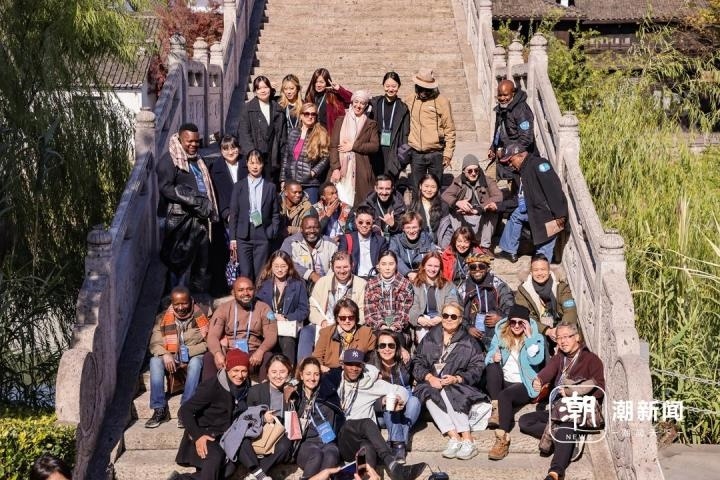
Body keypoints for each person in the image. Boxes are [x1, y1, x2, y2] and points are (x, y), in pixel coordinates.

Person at [519, 321, 605, 480]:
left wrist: (572, 394)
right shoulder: (559, 357)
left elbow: (599, 389)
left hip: (577, 411)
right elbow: (548, 371)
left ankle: (555, 472)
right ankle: (567, 441)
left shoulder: (591, 359)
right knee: (525, 421)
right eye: (559, 338)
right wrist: (539, 380)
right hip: (556, 410)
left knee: (565, 425)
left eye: (567, 337)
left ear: (577, 337)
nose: (562, 341)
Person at [328, 349, 427, 480]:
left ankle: (376, 474)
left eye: (358, 365)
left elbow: (401, 390)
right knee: (366, 422)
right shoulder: (335, 381)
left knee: (367, 448)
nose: (354, 369)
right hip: (345, 439)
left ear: (363, 366)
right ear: (343, 365)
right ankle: (392, 464)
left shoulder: (371, 384)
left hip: (364, 440)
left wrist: (397, 399)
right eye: (350, 364)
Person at [412, 301, 486, 461]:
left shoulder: (469, 342)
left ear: (460, 319)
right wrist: (430, 377)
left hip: (460, 385)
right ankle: (454, 437)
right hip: (432, 381)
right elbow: (417, 362)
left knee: (449, 390)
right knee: (427, 391)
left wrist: (456, 378)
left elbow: (477, 367)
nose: (449, 319)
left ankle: (467, 439)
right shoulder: (430, 338)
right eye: (445, 315)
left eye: (453, 316)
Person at [158, 123, 218, 293]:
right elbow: (165, 188)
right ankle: (176, 298)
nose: (193, 145)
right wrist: (191, 199)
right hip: (180, 220)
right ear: (180, 139)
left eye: (196, 141)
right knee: (178, 262)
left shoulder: (198, 159)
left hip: (199, 218)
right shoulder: (169, 160)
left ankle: (197, 298)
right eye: (189, 141)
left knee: (201, 261)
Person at [174, 349, 252, 480]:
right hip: (206, 433)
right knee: (215, 456)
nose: (240, 375)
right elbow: (185, 410)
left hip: (227, 436)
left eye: (244, 371)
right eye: (235, 370)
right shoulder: (211, 386)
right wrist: (198, 436)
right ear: (227, 368)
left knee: (229, 468)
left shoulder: (246, 386)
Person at [484, 304, 545, 460]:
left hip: (524, 384)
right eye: (513, 322)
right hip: (504, 380)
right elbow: (489, 354)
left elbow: (536, 360)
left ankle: (502, 438)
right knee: (492, 366)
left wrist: (530, 337)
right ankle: (497, 409)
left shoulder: (536, 338)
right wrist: (493, 357)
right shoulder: (501, 335)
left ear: (526, 323)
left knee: (505, 395)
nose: (516, 326)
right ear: (508, 323)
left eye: (521, 322)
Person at [146, 286, 209, 429]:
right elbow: (155, 343)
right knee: (155, 361)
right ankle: (159, 408)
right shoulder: (162, 318)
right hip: (171, 356)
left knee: (195, 363)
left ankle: (186, 409)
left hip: (194, 355)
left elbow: (209, 342)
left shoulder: (202, 315)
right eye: (177, 304)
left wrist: (189, 351)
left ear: (191, 301)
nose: (180, 308)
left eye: (184, 303)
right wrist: (165, 354)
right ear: (172, 303)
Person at [496, 143, 568, 263]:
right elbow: (519, 198)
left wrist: (560, 214)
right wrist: (498, 206)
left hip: (549, 215)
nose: (509, 164)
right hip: (533, 209)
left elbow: (553, 188)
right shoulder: (522, 171)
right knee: (516, 214)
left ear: (520, 156)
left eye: (510, 160)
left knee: (543, 253)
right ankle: (509, 249)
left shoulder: (539, 164)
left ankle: (543, 263)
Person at [205, 277, 278, 382]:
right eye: (241, 290)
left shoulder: (264, 308)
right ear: (233, 293)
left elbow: (271, 335)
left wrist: (261, 351)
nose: (246, 293)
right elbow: (212, 335)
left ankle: (264, 390)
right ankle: (208, 390)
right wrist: (217, 353)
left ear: (254, 290)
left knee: (268, 356)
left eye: (249, 289)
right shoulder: (223, 309)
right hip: (230, 353)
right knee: (209, 357)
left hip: (253, 354)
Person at [299, 251, 367, 362]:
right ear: (332, 267)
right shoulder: (322, 282)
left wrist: (349, 323)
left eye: (345, 267)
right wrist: (322, 321)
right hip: (325, 323)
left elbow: (363, 311)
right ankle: (303, 366)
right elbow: (312, 307)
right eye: (338, 267)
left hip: (350, 323)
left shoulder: (361, 284)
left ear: (352, 265)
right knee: (306, 332)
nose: (342, 271)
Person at [366, 331, 422, 463]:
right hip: (384, 414)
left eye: (391, 345)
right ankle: (399, 444)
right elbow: (367, 397)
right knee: (389, 402)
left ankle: (396, 440)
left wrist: (403, 349)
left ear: (397, 348)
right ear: (377, 348)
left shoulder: (405, 362)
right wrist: (383, 401)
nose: (387, 349)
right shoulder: (370, 367)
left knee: (415, 401)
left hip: (405, 410)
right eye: (382, 345)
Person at [228, 150, 280, 283]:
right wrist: (233, 238)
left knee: (261, 272)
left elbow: (275, 212)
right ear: (247, 164)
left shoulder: (270, 187)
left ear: (263, 164)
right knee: (245, 272)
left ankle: (259, 296)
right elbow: (234, 213)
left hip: (262, 232)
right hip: (243, 235)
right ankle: (247, 295)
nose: (255, 166)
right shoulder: (239, 186)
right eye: (252, 163)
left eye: (258, 163)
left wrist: (272, 231)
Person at [289, 357, 343, 480]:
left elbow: (339, 371)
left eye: (316, 374)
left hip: (327, 440)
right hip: (306, 443)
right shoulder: (296, 396)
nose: (312, 378)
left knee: (331, 454)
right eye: (308, 374)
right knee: (316, 454)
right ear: (301, 375)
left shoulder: (327, 393)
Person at [243, 354, 295, 480]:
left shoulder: (292, 392)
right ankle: (260, 474)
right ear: (267, 373)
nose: (278, 376)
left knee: (285, 445)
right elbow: (245, 418)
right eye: (274, 372)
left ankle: (256, 474)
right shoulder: (255, 391)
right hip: (258, 432)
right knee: (242, 441)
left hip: (278, 435)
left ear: (288, 372)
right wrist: (262, 418)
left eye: (282, 371)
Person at [441, 154, 503, 257]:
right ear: (464, 171)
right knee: (452, 209)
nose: (473, 173)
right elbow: (445, 195)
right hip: (464, 219)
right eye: (470, 171)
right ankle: (460, 242)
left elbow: (499, 196)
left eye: (476, 170)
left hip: (482, 218)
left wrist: (480, 208)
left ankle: (485, 247)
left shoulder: (488, 181)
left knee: (492, 209)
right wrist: (457, 202)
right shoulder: (458, 181)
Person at [404, 68, 456, 192]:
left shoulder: (442, 101)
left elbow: (450, 129)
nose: (423, 91)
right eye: (420, 87)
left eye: (426, 88)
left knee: (434, 189)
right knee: (417, 190)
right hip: (416, 153)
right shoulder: (410, 99)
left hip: (436, 153)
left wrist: (448, 154)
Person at [255, 251, 309, 365]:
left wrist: (286, 317)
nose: (279, 270)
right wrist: (272, 316)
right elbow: (258, 308)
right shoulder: (264, 284)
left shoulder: (298, 284)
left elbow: (304, 310)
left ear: (289, 266)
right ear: (271, 266)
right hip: (268, 325)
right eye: (276, 266)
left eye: (283, 266)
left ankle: (289, 370)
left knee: (287, 341)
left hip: (287, 326)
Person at [515, 254, 578, 350]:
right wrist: (547, 331)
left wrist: (561, 331)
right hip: (537, 328)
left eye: (543, 269)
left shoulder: (560, 286)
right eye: (536, 270)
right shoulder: (523, 290)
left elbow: (570, 310)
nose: (540, 273)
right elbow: (525, 316)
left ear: (549, 271)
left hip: (560, 326)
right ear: (531, 272)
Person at [329, 90, 379, 206]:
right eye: (356, 102)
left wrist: (353, 146)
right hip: (341, 168)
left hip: (361, 169)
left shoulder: (371, 124)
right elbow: (333, 146)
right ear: (352, 102)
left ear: (366, 106)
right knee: (339, 200)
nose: (358, 105)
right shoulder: (340, 121)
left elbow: (374, 146)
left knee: (358, 202)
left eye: (362, 103)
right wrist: (335, 168)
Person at [209, 135, 243, 294]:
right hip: (225, 216)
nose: (230, 152)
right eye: (226, 149)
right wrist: (226, 213)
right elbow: (217, 194)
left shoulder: (247, 164)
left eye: (233, 147)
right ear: (221, 151)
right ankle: (226, 286)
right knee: (226, 251)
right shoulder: (215, 168)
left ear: (239, 148)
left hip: (246, 215)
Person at [238, 75, 286, 183]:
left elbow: (283, 138)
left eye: (265, 87)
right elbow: (244, 134)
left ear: (270, 89)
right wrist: (253, 155)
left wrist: (283, 159)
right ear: (255, 91)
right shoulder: (247, 109)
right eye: (259, 88)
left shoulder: (278, 110)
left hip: (273, 157)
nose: (263, 91)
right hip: (256, 158)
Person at [462, 253, 514, 350]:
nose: (477, 270)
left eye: (481, 266)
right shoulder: (463, 288)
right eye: (473, 267)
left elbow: (511, 309)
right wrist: (468, 328)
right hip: (472, 332)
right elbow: (457, 314)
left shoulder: (499, 285)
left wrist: (500, 319)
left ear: (487, 268)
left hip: (496, 330)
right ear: (469, 270)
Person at [281, 102, 330, 203]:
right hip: (292, 182)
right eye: (307, 114)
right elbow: (286, 157)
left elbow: (326, 157)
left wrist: (313, 172)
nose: (310, 116)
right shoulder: (293, 132)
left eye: (313, 114)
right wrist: (283, 179)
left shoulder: (321, 133)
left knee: (310, 211)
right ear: (301, 116)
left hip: (309, 183)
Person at [488, 79, 534, 181]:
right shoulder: (501, 109)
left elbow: (526, 139)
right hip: (502, 158)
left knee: (515, 186)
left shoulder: (521, 110)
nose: (502, 98)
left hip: (516, 160)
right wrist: (493, 147)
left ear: (513, 93)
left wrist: (507, 152)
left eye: (505, 95)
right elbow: (498, 130)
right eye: (499, 95)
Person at [363, 250, 414, 343]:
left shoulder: (406, 284)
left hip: (398, 329)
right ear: (378, 266)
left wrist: (394, 326)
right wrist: (382, 326)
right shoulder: (371, 285)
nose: (387, 268)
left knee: (396, 340)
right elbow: (370, 313)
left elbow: (404, 312)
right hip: (377, 328)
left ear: (396, 265)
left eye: (391, 264)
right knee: (374, 342)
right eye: (383, 264)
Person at [408, 252, 459, 345]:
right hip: (423, 322)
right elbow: (412, 306)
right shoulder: (415, 285)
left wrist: (441, 317)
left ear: (440, 268)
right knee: (425, 344)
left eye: (436, 266)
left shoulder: (448, 285)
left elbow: (452, 303)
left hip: (442, 320)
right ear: (424, 266)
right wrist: (418, 319)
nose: (432, 269)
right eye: (429, 265)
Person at [313, 298, 376, 371]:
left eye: (351, 317)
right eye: (343, 318)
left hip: (356, 371)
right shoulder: (326, 333)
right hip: (330, 371)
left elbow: (371, 360)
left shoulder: (366, 333)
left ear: (356, 317)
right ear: (337, 318)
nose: (347, 321)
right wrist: (325, 370)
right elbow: (317, 358)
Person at [368, 72, 410, 179]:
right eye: (387, 86)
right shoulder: (375, 103)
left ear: (399, 86)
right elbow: (355, 101)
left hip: (393, 151)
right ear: (383, 86)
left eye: (394, 86)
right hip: (376, 150)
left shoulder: (403, 108)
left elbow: (405, 134)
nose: (390, 89)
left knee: (390, 183)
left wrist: (401, 160)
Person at [281, 215, 338, 287]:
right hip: (297, 286)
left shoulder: (331, 244)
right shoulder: (290, 242)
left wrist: (325, 282)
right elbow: (283, 262)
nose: (312, 231)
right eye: (308, 228)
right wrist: (310, 274)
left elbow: (336, 265)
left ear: (320, 228)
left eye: (316, 227)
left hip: (325, 285)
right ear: (301, 229)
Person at [337, 205, 387, 279]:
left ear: (373, 222)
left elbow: (385, 261)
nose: (364, 225)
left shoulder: (380, 241)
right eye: (360, 222)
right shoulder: (346, 239)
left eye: (368, 223)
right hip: (354, 278)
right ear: (356, 221)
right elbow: (340, 260)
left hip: (374, 278)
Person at [388, 211, 437, 280]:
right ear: (403, 228)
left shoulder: (427, 238)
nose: (411, 231)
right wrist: (408, 273)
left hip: (425, 275)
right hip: (404, 276)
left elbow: (434, 257)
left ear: (420, 227)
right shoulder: (396, 240)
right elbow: (394, 257)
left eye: (414, 227)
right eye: (408, 228)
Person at [304, 68, 353, 136]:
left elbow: (352, 99)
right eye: (316, 81)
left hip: (331, 135)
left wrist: (339, 89)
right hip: (313, 134)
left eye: (321, 82)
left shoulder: (334, 96)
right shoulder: (310, 96)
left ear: (327, 83)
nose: (318, 85)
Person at [439, 226, 482, 299]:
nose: (462, 245)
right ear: (454, 241)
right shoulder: (447, 255)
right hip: (452, 290)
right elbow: (444, 277)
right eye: (459, 241)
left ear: (471, 242)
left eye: (466, 242)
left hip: (472, 290)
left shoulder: (478, 256)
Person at [358, 175, 406, 240]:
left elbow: (405, 226)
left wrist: (393, 225)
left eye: (387, 189)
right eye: (381, 188)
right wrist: (371, 227)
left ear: (392, 189)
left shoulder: (399, 204)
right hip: (373, 239)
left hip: (394, 240)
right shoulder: (367, 204)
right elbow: (355, 224)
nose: (384, 192)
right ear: (376, 188)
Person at [408, 173, 448, 244]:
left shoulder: (443, 205)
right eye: (426, 186)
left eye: (433, 187)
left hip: (438, 243)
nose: (429, 190)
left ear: (437, 188)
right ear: (420, 186)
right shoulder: (414, 205)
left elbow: (446, 229)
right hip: (418, 243)